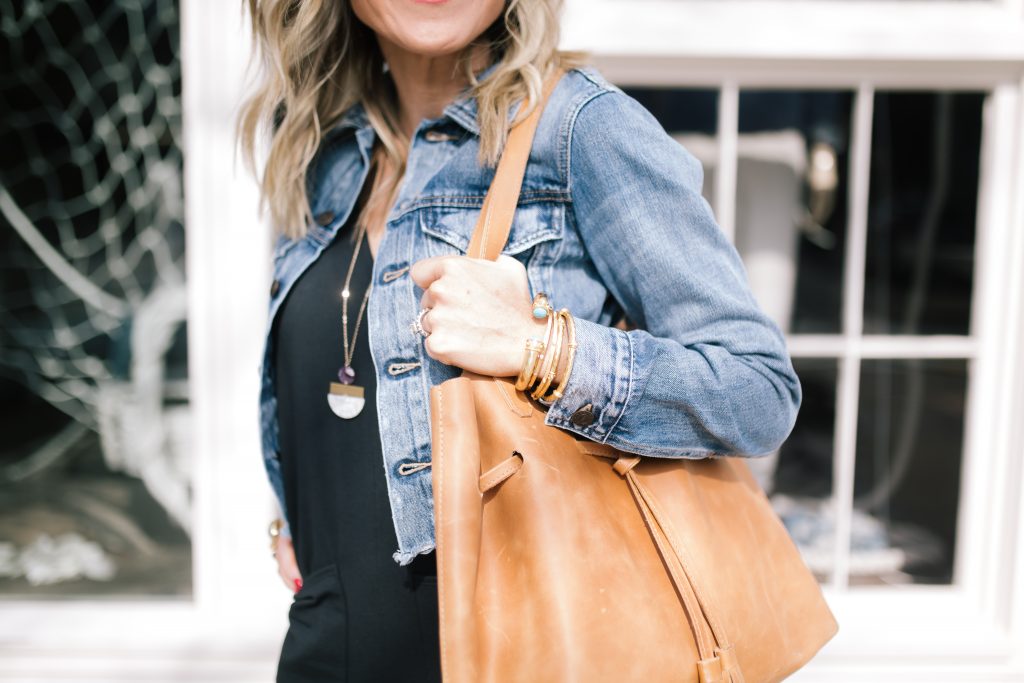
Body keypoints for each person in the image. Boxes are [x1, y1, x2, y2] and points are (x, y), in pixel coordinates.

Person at [238, 0, 802, 680]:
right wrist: (293, 517)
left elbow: (757, 386)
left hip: (517, 650)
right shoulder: (321, 149)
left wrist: (543, 345)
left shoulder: (579, 131)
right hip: (329, 645)